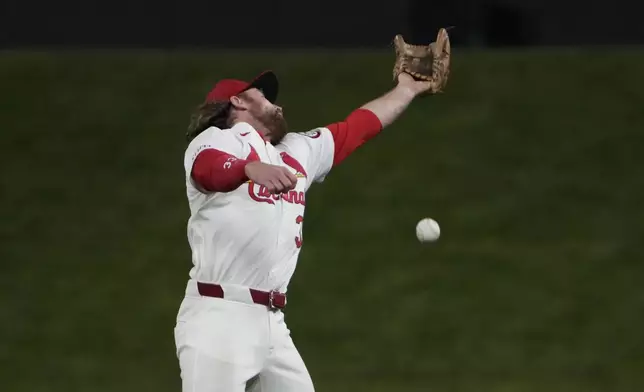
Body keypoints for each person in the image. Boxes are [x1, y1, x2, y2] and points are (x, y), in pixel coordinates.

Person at [175, 69, 436, 392]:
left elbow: (359, 126)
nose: (276, 104)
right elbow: (208, 169)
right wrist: (247, 168)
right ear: (237, 100)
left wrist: (406, 90)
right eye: (264, 96)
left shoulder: (297, 151)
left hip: (272, 321)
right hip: (218, 315)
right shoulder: (218, 139)